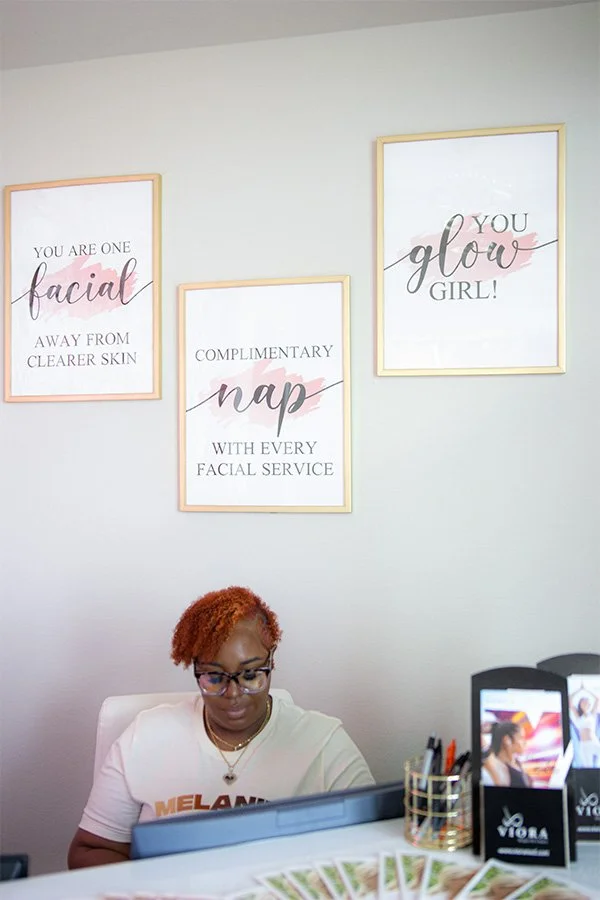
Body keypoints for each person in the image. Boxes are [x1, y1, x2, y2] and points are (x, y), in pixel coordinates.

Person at [68, 586, 374, 868]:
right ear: (195, 670)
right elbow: (90, 850)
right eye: (214, 677)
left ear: (271, 662)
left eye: (251, 674)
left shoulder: (323, 744)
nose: (234, 693)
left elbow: (372, 851)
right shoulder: (145, 736)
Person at [481, 721, 531, 788]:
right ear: (507, 740)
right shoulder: (498, 767)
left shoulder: (517, 763)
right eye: (521, 737)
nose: (525, 742)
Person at [569, 685, 600, 768]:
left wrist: (586, 689)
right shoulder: (578, 716)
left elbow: (597, 699)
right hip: (584, 745)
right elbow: (569, 700)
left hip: (594, 742)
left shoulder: (592, 714)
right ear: (580, 704)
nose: (585, 703)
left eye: (586, 702)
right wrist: (579, 689)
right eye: (583, 702)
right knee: (588, 766)